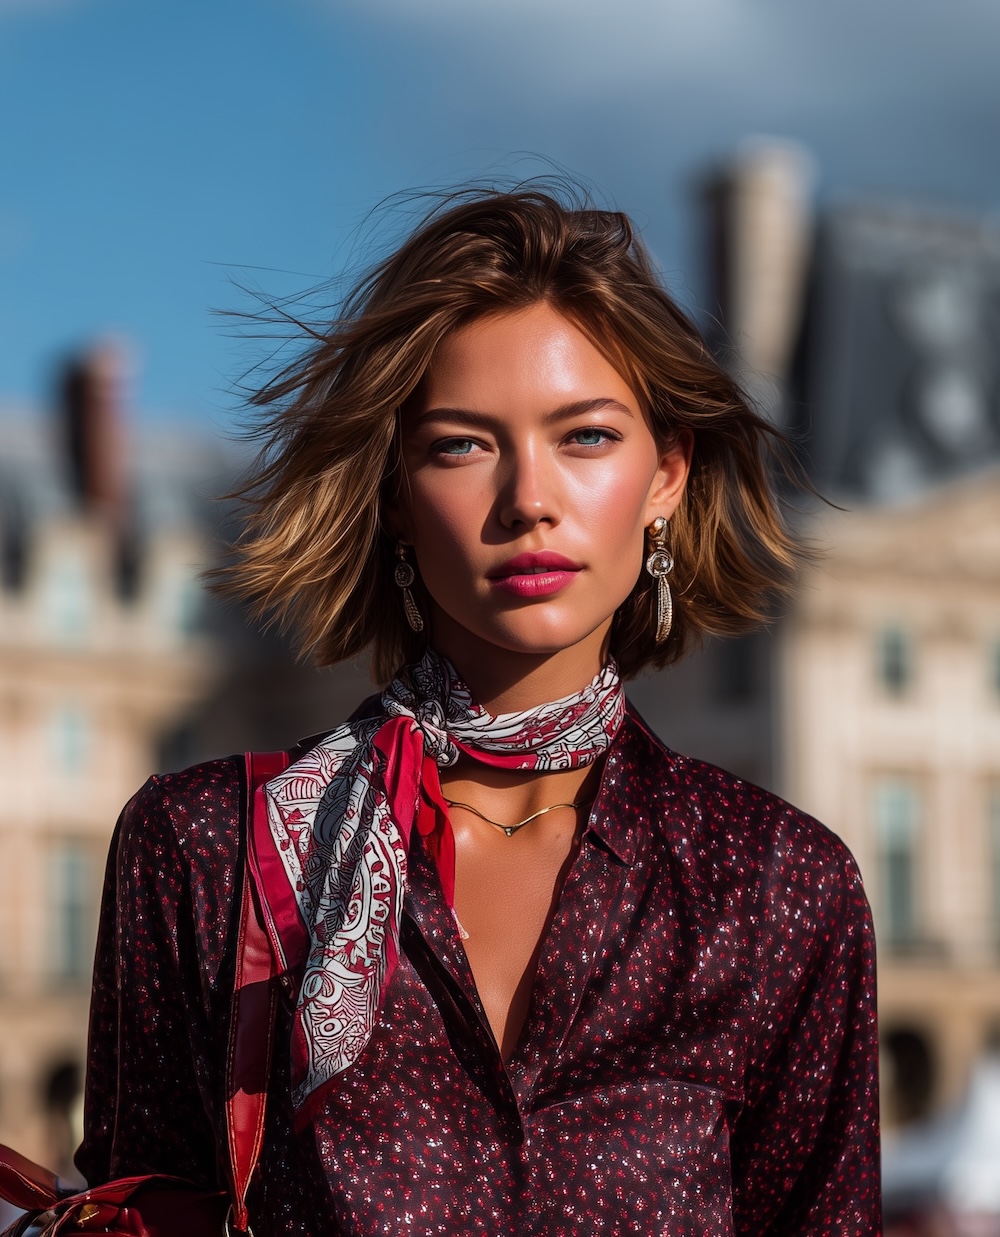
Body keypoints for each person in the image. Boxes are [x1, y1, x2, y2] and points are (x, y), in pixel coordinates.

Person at [76, 189, 881, 1234]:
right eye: (462, 445)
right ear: (395, 496)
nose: (529, 499)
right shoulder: (204, 850)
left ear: (666, 476)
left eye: (586, 436)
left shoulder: (777, 885)